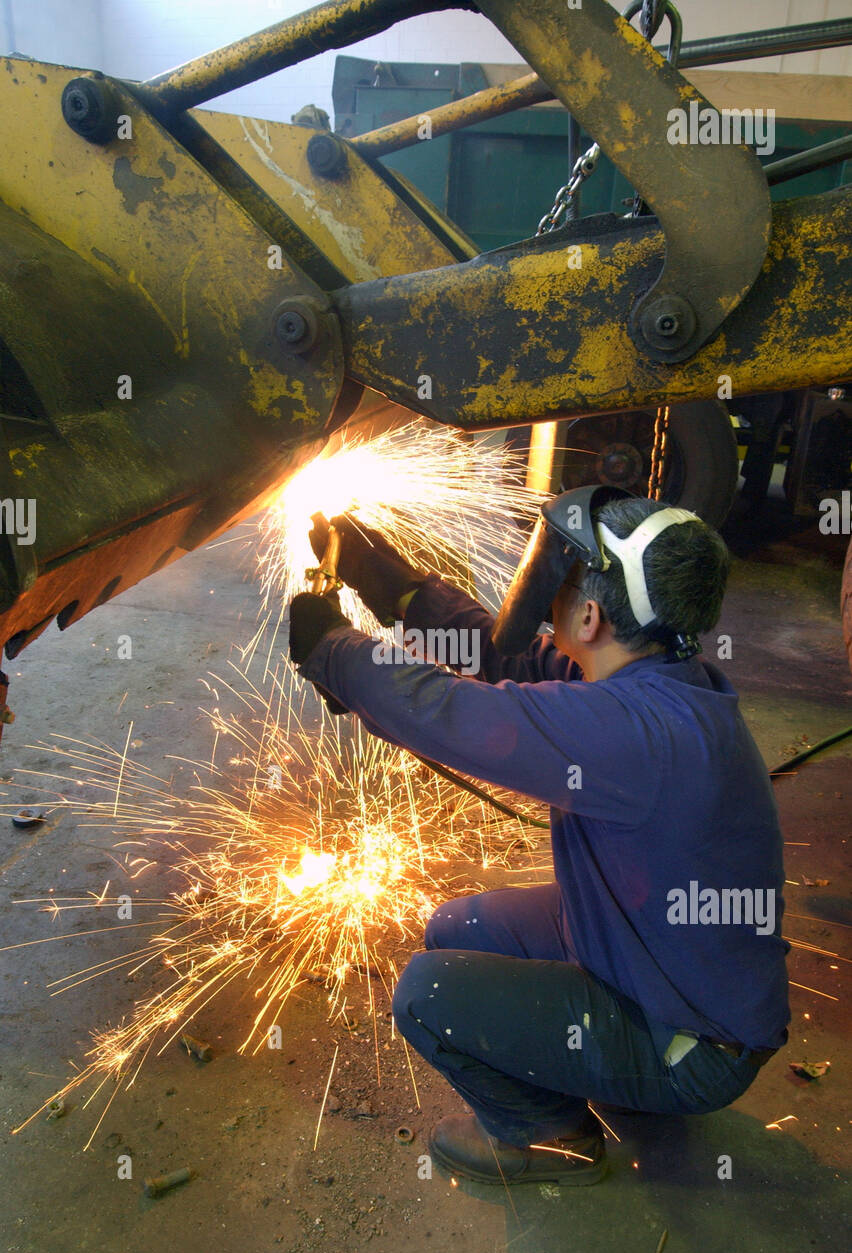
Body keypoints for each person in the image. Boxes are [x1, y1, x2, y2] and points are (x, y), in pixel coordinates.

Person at [287, 486, 790, 1187]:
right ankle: (597, 1064)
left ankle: (549, 1136)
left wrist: (334, 651)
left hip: (697, 1041)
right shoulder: (661, 677)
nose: (548, 601)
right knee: (454, 927)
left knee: (428, 994)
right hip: (649, 950)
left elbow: (459, 716)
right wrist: (382, 579)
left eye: (564, 586)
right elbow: (505, 663)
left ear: (590, 615)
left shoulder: (634, 732)